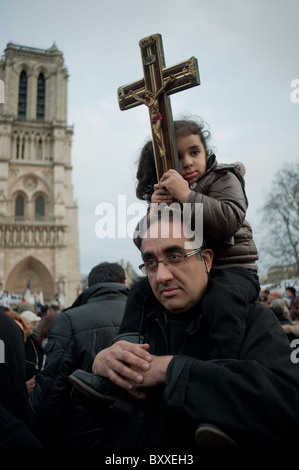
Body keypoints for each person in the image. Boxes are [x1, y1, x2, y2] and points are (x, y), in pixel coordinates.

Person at [69, 208, 299, 450]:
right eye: (150, 263)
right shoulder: (139, 323)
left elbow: (288, 407)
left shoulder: (254, 321)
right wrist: (99, 366)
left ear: (207, 260)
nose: (162, 276)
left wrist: (172, 370)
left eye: (175, 256)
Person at [128, 118, 259, 359]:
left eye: (194, 152)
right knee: (139, 292)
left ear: (206, 152)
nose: (187, 162)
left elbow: (229, 220)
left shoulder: (223, 177)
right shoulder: (170, 192)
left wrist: (187, 196)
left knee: (221, 302)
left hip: (231, 269)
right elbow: (142, 241)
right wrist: (154, 212)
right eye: (178, 157)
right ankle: (127, 353)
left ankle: (222, 365)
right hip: (194, 272)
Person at [29, 262, 129, 448]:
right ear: (125, 282)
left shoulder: (68, 319)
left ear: (88, 288)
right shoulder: (151, 314)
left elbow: (52, 389)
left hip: (84, 435)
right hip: (137, 433)